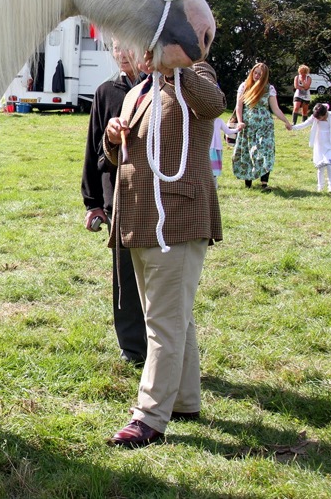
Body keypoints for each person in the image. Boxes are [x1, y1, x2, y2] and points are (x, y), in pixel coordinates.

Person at [102, 55, 226, 448]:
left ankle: (150, 416)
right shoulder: (137, 91)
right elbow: (116, 157)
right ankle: (186, 400)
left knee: (163, 323)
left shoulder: (196, 75)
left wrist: (177, 68)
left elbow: (213, 104)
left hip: (177, 216)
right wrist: (112, 136)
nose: (138, 54)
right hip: (138, 217)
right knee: (174, 318)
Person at [81, 39, 147, 366]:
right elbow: (93, 150)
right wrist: (92, 202)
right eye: (116, 49)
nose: (121, 55)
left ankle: (162, 342)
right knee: (125, 279)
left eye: (127, 48)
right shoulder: (105, 92)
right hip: (117, 198)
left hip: (155, 195)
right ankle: (133, 350)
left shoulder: (159, 87)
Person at [231, 62, 293, 189]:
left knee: (265, 151)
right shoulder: (244, 86)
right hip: (248, 126)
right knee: (247, 152)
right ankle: (248, 183)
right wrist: (240, 121)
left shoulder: (269, 88)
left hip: (265, 126)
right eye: (256, 72)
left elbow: (275, 108)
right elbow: (239, 106)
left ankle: (264, 183)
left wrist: (286, 121)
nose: (257, 75)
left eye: (260, 74)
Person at [289, 102, 331, 192]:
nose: (318, 119)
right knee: (320, 166)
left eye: (320, 117)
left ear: (325, 113)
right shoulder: (315, 118)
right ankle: (320, 187)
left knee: (329, 164)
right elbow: (304, 124)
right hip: (320, 144)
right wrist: (292, 127)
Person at [210, 117, 240, 185]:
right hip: (210, 146)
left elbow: (227, 131)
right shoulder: (205, 119)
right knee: (210, 167)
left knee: (213, 168)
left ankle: (213, 183)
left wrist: (238, 129)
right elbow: (227, 131)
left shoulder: (219, 120)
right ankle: (212, 182)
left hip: (216, 147)